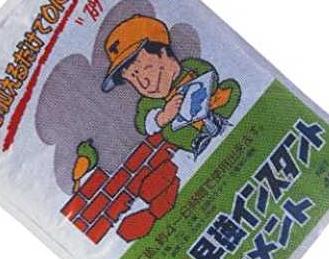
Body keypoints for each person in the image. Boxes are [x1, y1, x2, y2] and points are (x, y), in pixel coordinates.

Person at [101, 15, 241, 158]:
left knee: (230, 88)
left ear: (162, 52)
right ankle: (197, 140)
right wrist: (163, 117)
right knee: (169, 131)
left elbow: (208, 72)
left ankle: (221, 118)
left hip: (211, 106)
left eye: (146, 69)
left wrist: (207, 94)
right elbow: (142, 124)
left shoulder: (189, 66)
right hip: (187, 126)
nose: (143, 84)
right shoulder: (148, 103)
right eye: (132, 78)